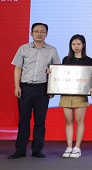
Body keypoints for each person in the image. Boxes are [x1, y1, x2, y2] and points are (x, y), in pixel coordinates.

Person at [9, 23, 60, 159]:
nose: (39, 34)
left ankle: (37, 149)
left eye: (42, 31)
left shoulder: (52, 50)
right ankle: (20, 150)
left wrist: (52, 87)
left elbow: (57, 71)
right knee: (23, 120)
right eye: (36, 31)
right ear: (31, 33)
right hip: (25, 88)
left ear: (46, 34)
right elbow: (17, 68)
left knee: (40, 121)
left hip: (42, 89)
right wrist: (17, 86)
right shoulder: (23, 48)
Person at [59, 34, 92, 158]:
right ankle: (69, 146)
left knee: (79, 121)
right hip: (66, 94)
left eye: (78, 44)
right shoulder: (66, 59)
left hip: (81, 95)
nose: (76, 46)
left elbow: (91, 78)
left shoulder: (88, 60)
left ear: (83, 45)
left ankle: (77, 147)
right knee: (68, 121)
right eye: (73, 44)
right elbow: (61, 76)